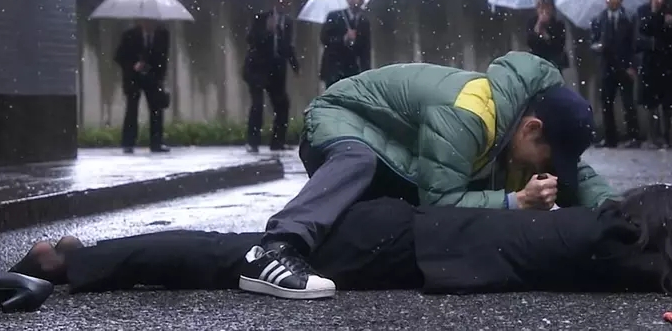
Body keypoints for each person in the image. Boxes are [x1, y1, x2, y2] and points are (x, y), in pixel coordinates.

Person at [236, 51, 613, 299]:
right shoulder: (469, 112)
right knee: (359, 162)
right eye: (544, 158)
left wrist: (620, 213)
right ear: (531, 129)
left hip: (397, 150)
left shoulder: (520, 123)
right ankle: (274, 249)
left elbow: (576, 174)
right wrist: (517, 200)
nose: (541, 171)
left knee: (383, 222)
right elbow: (442, 203)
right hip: (342, 118)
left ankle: (317, 252)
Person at [5, 184, 672, 299]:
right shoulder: (609, 234)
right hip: (398, 237)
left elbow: (645, 264)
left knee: (229, 253)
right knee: (230, 258)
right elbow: (651, 270)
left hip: (402, 233)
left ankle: (78, 259)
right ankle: (76, 262)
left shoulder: (606, 229)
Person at [242, 0, 300, 152]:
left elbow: (288, 47)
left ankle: (277, 142)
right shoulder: (261, 18)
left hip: (276, 70)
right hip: (257, 69)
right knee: (257, 105)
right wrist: (267, 31)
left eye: (287, 1)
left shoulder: (287, 22)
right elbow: (251, 40)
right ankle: (252, 142)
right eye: (281, 0)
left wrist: (295, 65)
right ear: (274, 1)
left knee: (282, 105)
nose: (284, 4)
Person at [589, 0, 641, 148]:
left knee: (628, 103)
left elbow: (634, 44)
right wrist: (597, 46)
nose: (611, 0)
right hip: (607, 66)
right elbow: (593, 41)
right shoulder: (599, 19)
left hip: (624, 67)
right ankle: (611, 138)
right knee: (606, 103)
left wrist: (632, 66)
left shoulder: (629, 17)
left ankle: (634, 136)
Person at [635, 0, 672, 149]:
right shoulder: (643, 11)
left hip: (667, 61)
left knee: (667, 102)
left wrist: (670, 23)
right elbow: (642, 31)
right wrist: (654, 13)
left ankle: (667, 136)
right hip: (650, 62)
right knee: (651, 103)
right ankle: (654, 137)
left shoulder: (670, 11)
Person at [113, 19, 171, 154]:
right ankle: (128, 143)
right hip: (133, 78)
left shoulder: (163, 35)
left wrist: (158, 76)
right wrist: (134, 64)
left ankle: (156, 143)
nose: (149, 24)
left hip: (153, 76)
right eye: (146, 22)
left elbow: (163, 57)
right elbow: (119, 56)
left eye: (151, 22)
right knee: (132, 109)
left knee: (156, 110)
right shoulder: (129, 35)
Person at [319, 0, 371, 88]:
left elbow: (366, 49)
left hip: (352, 68)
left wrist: (367, 72)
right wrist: (343, 39)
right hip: (334, 67)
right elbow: (324, 38)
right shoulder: (335, 16)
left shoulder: (364, 21)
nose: (356, 1)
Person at [526, 0, 569, 70]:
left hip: (554, 59)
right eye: (541, 8)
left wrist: (547, 36)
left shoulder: (558, 24)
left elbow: (559, 45)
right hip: (537, 59)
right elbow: (530, 41)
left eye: (547, 7)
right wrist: (539, 24)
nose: (544, 11)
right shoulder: (532, 22)